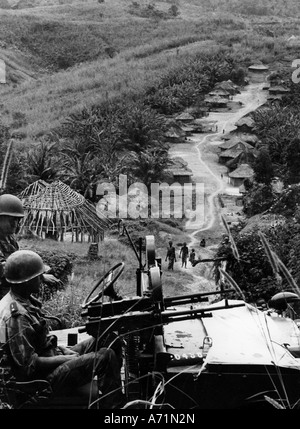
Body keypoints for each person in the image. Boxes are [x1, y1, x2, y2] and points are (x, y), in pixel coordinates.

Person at [0, 250, 123, 408]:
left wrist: (63, 351)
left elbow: (40, 343)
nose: (42, 279)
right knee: (105, 357)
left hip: (51, 359)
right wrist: (65, 359)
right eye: (38, 276)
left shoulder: (23, 299)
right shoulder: (16, 316)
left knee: (109, 338)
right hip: (41, 383)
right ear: (26, 281)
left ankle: (110, 390)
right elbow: (28, 367)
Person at [0, 194, 60, 299]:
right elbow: (5, 270)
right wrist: (40, 276)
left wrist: (40, 268)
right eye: (11, 219)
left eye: (17, 219)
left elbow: (17, 260)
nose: (15, 223)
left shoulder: (9, 238)